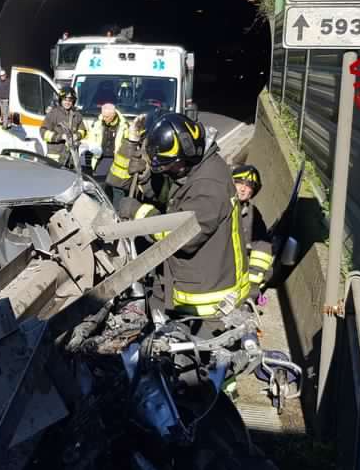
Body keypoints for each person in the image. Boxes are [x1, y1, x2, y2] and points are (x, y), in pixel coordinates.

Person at [114, 112, 248, 328]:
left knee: (185, 360)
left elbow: (181, 236)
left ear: (188, 154)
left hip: (206, 307)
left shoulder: (209, 184)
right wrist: (147, 177)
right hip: (183, 284)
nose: (168, 171)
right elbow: (174, 196)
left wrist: (138, 213)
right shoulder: (195, 167)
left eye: (171, 165)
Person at [231, 164, 273, 301]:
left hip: (237, 277)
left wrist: (252, 284)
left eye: (249, 185)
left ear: (253, 191)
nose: (243, 189)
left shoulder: (253, 215)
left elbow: (263, 247)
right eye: (239, 183)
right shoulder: (217, 205)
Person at [83, 103, 128, 204]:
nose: (104, 118)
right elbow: (91, 138)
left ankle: (117, 210)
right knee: (100, 186)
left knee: (117, 189)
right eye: (103, 115)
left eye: (107, 117)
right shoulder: (98, 123)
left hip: (117, 160)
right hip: (100, 158)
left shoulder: (124, 126)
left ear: (113, 115)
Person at [39, 87, 86, 166]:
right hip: (56, 158)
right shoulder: (53, 114)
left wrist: (76, 136)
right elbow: (43, 132)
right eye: (65, 100)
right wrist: (61, 137)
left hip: (71, 158)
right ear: (61, 100)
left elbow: (83, 131)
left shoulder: (77, 115)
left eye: (70, 100)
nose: (67, 102)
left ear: (73, 101)